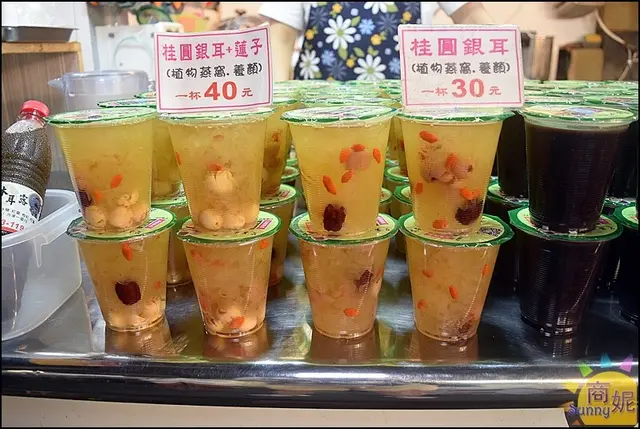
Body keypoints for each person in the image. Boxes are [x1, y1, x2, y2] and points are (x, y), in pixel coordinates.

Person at [259, 2, 495, 82]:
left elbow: (475, 20)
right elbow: (279, 39)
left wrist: (501, 79)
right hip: (318, 121)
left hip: (404, 121)